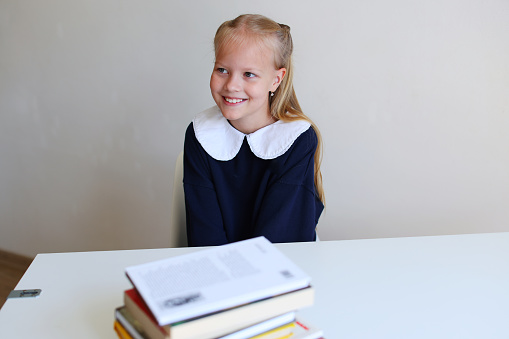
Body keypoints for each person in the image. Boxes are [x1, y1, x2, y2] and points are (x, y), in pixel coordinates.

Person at [183, 14, 324, 246]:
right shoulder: (199, 133)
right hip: (220, 267)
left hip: (281, 264)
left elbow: (282, 236)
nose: (231, 85)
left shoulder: (298, 138)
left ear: (276, 80)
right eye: (222, 70)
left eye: (249, 74)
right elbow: (204, 233)